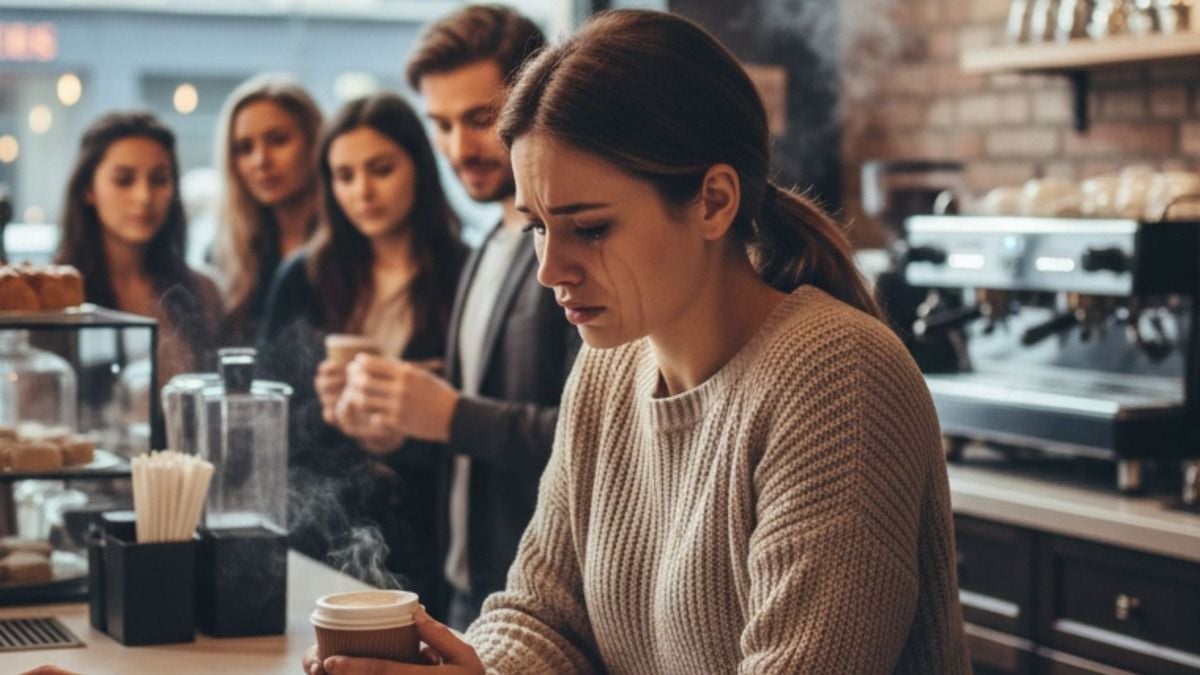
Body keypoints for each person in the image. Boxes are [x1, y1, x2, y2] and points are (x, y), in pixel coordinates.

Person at [305, 9, 968, 675]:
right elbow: (543, 613)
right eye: (537, 227)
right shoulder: (609, 368)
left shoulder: (837, 379)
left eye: (590, 228)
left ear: (713, 201)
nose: (548, 269)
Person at [335, 4, 578, 629]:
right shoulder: (489, 245)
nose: (458, 149)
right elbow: (470, 433)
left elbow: (599, 440)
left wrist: (448, 414)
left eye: (479, 119)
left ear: (535, 102)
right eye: (441, 125)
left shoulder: (572, 255)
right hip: (467, 592)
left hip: (546, 608)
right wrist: (400, 427)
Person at [259, 93, 467, 606]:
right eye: (344, 176)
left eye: (381, 169)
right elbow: (268, 420)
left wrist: (417, 409)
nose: (363, 192)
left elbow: (472, 426)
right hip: (320, 536)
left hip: (429, 540)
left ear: (419, 167)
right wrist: (326, 407)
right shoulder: (304, 276)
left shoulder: (463, 274)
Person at [57, 111, 221, 386]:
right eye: (124, 180)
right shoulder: (58, 296)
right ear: (88, 189)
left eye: (159, 179)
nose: (144, 196)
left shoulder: (203, 290)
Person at [212, 73, 323, 345]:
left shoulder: (351, 245)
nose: (261, 160)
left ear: (315, 142)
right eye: (244, 148)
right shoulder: (226, 255)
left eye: (278, 140)